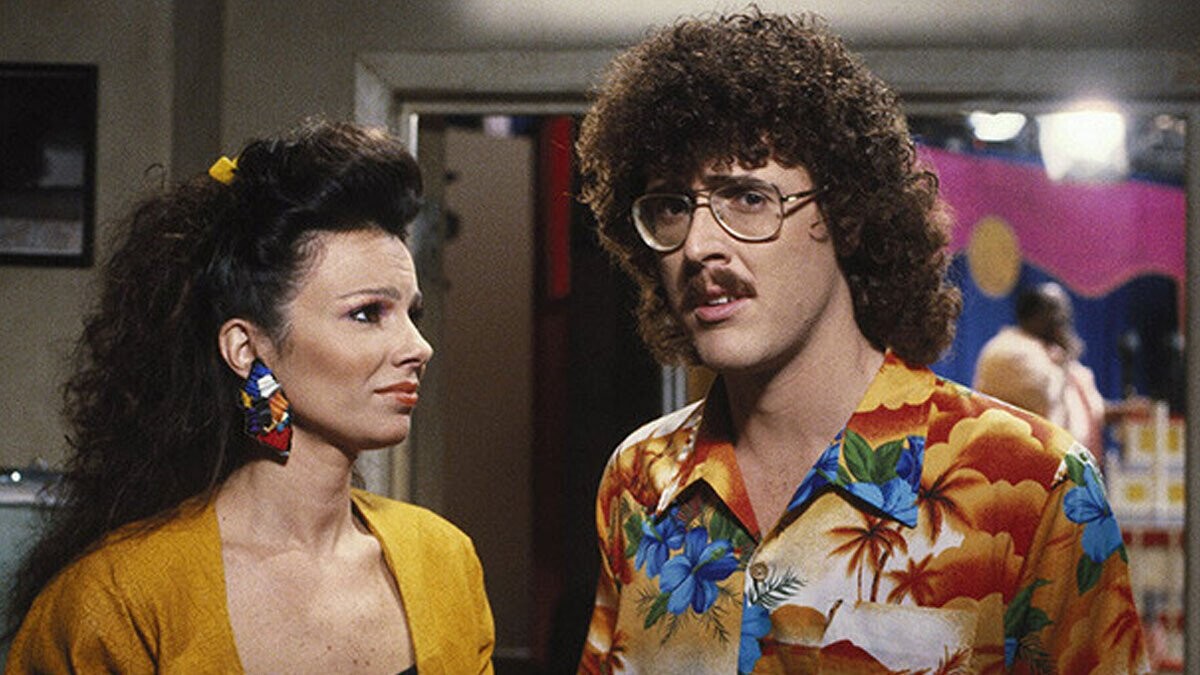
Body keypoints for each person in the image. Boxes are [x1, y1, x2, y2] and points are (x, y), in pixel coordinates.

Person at [574, 10, 1147, 674]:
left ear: (844, 213)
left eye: (749, 198)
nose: (699, 245)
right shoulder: (640, 480)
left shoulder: (1030, 483)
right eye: (672, 207)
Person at [4, 120, 494, 673]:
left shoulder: (445, 563)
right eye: (367, 313)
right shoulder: (119, 600)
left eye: (413, 314)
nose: (418, 347)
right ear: (246, 347)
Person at [974, 282, 1148, 461]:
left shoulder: (1052, 353)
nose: (1064, 318)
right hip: (1021, 464)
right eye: (1055, 310)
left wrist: (1123, 411)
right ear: (1033, 316)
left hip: (1062, 466)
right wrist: (1066, 354)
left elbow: (1087, 409)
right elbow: (1046, 397)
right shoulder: (1010, 350)